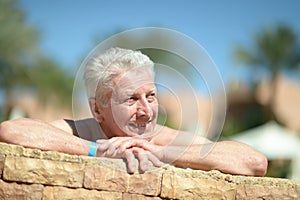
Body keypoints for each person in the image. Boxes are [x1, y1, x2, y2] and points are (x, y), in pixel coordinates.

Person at [0, 47, 268, 176]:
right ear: (97, 108)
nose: (146, 111)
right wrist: (96, 150)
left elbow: (254, 162)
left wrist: (164, 152)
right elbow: (11, 130)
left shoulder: (161, 138)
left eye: (151, 96)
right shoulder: (76, 131)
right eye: (131, 99)